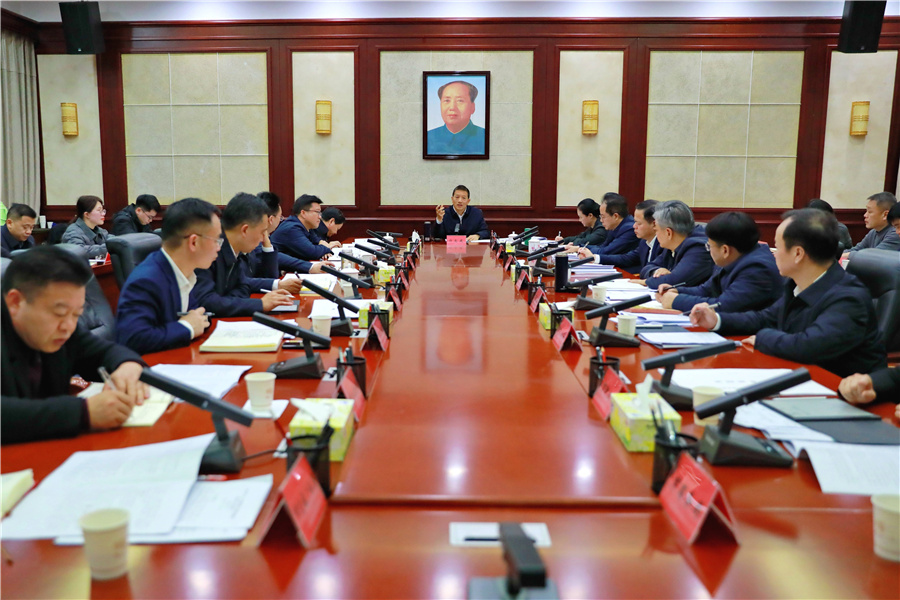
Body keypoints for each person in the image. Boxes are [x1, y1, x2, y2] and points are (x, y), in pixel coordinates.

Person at [690, 208, 885, 378]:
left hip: (840, 391)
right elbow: (765, 319)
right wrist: (716, 320)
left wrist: (763, 338)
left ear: (798, 253)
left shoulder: (848, 297)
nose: (774, 254)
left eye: (778, 247)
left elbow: (809, 346)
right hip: (800, 376)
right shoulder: (796, 284)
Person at [2, 246, 147, 444]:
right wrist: (83, 413)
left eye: (77, 314)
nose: (68, 326)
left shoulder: (64, 330)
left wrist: (128, 365)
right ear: (15, 302)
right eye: (59, 313)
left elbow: (103, 352)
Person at [115, 198, 219, 355]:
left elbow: (194, 316)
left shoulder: (183, 272)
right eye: (216, 240)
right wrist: (187, 327)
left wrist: (197, 321)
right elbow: (133, 338)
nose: (219, 247)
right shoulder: (146, 281)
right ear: (194, 242)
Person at [192, 192, 295, 317]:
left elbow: (243, 286)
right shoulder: (208, 250)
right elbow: (206, 302)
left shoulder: (235, 249)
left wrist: (226, 300)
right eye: (262, 232)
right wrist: (260, 304)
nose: (263, 239)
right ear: (245, 230)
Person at [656, 212, 782, 313]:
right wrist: (677, 290)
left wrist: (676, 301)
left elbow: (724, 306)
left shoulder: (756, 269)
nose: (709, 250)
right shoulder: (734, 257)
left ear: (725, 250)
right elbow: (707, 290)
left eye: (709, 246)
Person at [251, 191, 324, 294]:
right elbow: (312, 252)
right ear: (271, 219)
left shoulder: (265, 238)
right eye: (280, 217)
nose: (319, 217)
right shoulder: (291, 227)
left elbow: (271, 276)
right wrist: (310, 267)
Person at [641, 199, 713, 289]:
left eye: (656, 231)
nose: (656, 235)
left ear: (668, 232)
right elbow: (647, 268)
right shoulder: (672, 243)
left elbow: (673, 282)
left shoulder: (699, 248)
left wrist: (644, 282)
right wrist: (656, 271)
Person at [578, 199, 660, 273]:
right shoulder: (644, 242)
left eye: (638, 223)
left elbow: (654, 271)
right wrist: (594, 258)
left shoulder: (662, 246)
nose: (634, 226)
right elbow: (627, 258)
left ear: (654, 224)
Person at [426, 80, 486, 155]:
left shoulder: (485, 137)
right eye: (447, 100)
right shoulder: (428, 137)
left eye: (460, 101)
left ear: (473, 107)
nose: (452, 107)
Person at [576, 193, 639, 263]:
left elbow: (606, 251)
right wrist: (580, 247)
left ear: (615, 216)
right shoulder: (614, 227)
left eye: (603, 217)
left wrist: (581, 249)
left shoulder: (630, 229)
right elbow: (602, 247)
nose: (601, 220)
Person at [270, 194, 336, 260]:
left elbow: (317, 242)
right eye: (317, 212)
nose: (320, 217)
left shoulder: (307, 226)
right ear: (303, 213)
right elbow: (312, 252)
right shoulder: (292, 228)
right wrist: (328, 247)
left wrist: (324, 249)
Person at [843, 192, 900, 256]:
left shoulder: (895, 233)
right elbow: (856, 249)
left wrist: (847, 255)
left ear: (885, 215)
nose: (865, 215)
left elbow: (874, 256)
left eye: (870, 212)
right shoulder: (873, 232)